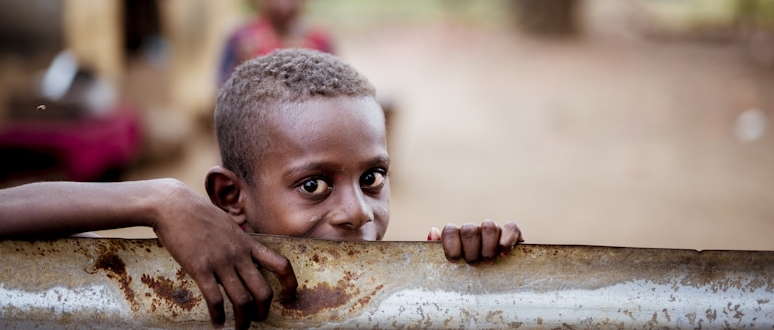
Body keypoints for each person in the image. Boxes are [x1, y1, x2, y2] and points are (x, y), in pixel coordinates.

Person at [0, 49, 523, 330]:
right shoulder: (190, 274)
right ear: (231, 198)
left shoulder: (405, 289)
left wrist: (462, 285)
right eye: (314, 185)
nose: (357, 212)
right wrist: (158, 199)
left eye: (372, 178)